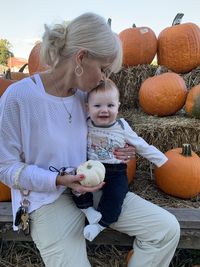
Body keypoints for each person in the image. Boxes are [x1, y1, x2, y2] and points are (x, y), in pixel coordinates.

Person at [0, 12, 180, 267]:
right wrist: (58, 179)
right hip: (46, 200)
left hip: (95, 187)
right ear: (81, 57)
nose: (104, 79)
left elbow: (108, 133)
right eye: (103, 69)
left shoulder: (88, 98)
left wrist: (120, 148)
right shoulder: (18, 98)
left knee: (166, 229)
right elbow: (5, 168)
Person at [72, 78, 171, 242]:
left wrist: (161, 159)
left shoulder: (122, 126)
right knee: (78, 185)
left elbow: (140, 144)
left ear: (118, 106)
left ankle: (100, 224)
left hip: (115, 171)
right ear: (87, 108)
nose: (104, 110)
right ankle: (87, 210)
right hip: (92, 167)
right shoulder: (86, 124)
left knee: (116, 196)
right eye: (97, 106)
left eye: (110, 105)